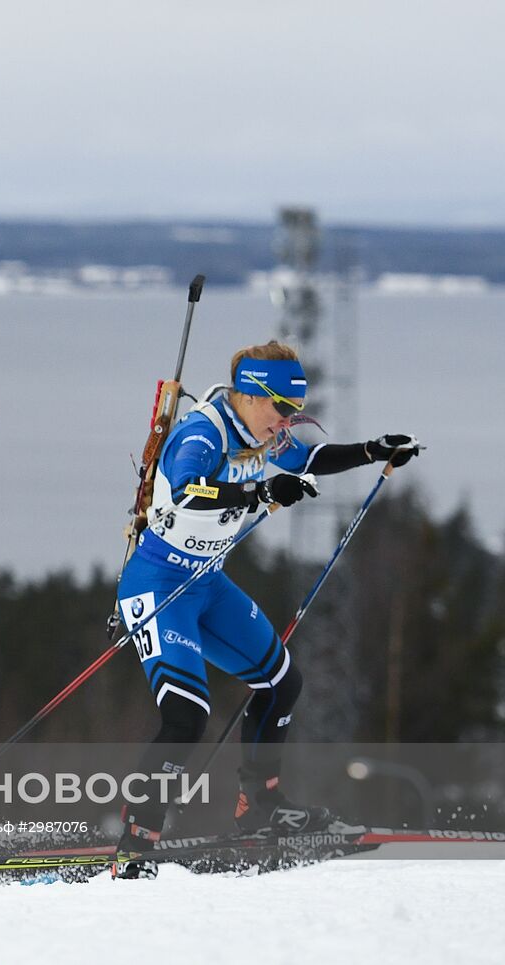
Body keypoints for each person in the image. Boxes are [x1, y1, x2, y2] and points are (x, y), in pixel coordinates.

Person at [112, 341, 420, 878]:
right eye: (281, 411)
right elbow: (186, 492)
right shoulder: (204, 432)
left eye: (295, 413)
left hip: (206, 582)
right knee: (186, 714)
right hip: (158, 587)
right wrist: (259, 491)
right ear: (251, 396)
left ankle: (260, 809)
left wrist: (374, 450)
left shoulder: (261, 432)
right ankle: (136, 844)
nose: (287, 424)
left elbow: (309, 459)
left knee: (282, 682)